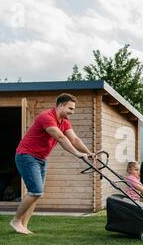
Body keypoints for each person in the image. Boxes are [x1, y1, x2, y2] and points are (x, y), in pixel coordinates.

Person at [10, 93, 95, 235]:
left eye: (73, 109)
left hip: (41, 159)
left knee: (36, 193)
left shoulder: (64, 121)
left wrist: (88, 152)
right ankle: (16, 220)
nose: (72, 112)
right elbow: (61, 138)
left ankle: (23, 226)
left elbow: (74, 139)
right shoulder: (46, 117)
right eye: (70, 108)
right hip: (26, 156)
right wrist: (77, 154)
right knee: (36, 191)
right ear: (60, 105)